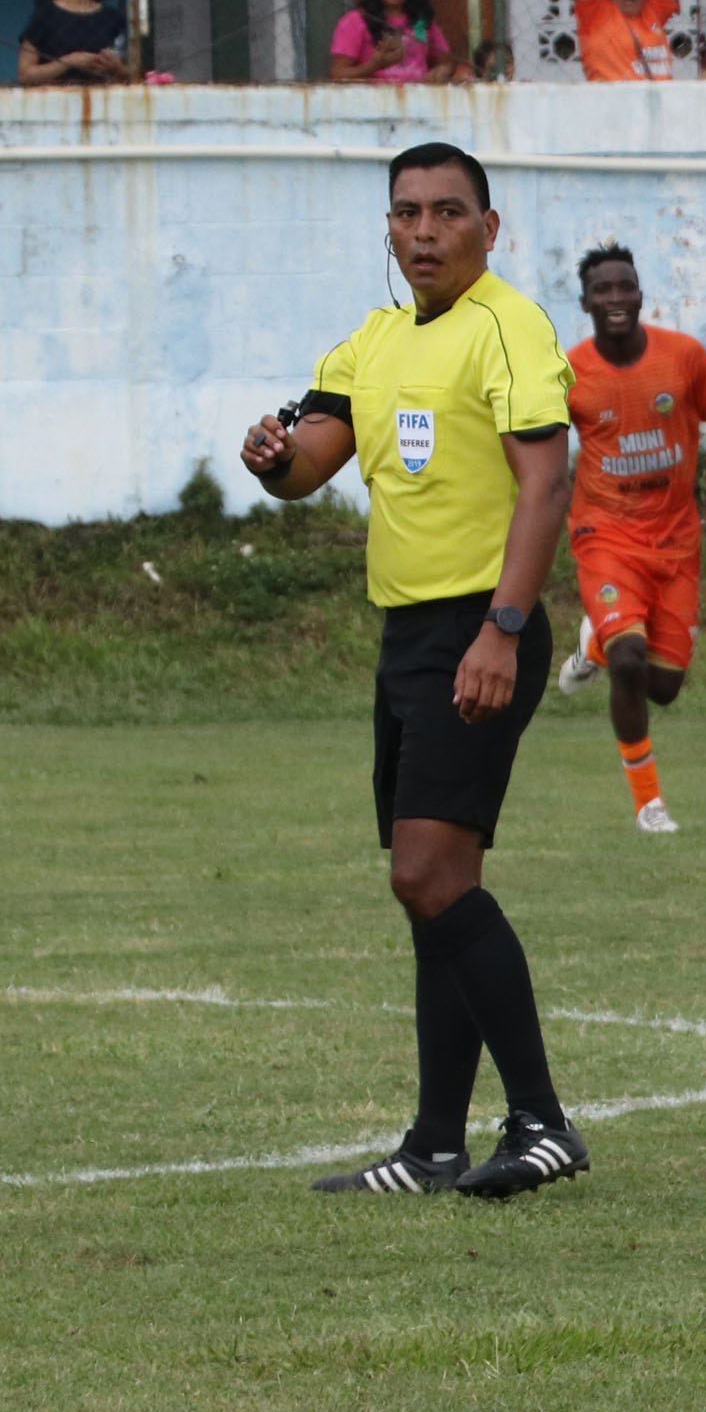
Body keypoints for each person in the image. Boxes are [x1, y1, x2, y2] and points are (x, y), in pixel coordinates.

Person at [237, 140, 589, 1201]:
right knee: (433, 890)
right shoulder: (375, 340)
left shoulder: (509, 326)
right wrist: (270, 460)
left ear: (490, 225)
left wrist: (504, 625)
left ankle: (542, 1124)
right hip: (407, 637)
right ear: (387, 227)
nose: (425, 231)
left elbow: (545, 487)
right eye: (407, 212)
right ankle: (435, 1146)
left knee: (427, 875)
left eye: (447, 211)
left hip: (479, 629)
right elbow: (312, 463)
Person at [552, 245, 706, 833]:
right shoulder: (569, 372)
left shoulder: (682, 356)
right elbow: (542, 449)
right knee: (631, 660)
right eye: (602, 290)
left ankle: (594, 645)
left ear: (640, 294)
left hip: (677, 539)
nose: (614, 299)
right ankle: (648, 803)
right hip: (604, 534)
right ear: (585, 302)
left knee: (664, 686)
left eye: (624, 287)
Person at [329, 0, 455, 85]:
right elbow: (338, 75)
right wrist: (373, 66)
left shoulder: (420, 21)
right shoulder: (355, 21)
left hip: (419, 99)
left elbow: (446, 62)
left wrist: (443, 70)